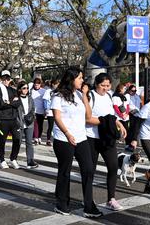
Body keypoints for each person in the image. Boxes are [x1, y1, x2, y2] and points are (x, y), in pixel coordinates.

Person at [51, 67, 102, 218]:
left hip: (81, 137)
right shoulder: (58, 96)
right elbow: (57, 118)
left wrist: (85, 95)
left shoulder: (80, 94)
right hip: (63, 138)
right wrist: (67, 133)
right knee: (65, 171)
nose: (82, 80)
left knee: (88, 170)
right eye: (79, 78)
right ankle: (62, 203)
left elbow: (88, 115)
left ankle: (88, 205)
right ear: (71, 79)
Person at [83, 73, 127, 211]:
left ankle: (111, 199)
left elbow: (111, 116)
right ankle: (88, 199)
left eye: (108, 85)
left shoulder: (109, 95)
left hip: (107, 138)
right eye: (103, 85)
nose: (106, 88)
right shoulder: (90, 96)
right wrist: (105, 121)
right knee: (90, 170)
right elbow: (87, 118)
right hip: (92, 138)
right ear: (96, 84)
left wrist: (120, 124)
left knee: (113, 167)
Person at [0, 70, 22, 170]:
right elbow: (0, 104)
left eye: (8, 79)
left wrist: (8, 103)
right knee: (2, 141)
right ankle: (2, 159)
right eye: (4, 78)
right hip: (3, 119)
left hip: (13, 119)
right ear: (1, 79)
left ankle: (13, 158)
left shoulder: (13, 90)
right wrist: (11, 102)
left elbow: (18, 103)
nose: (6, 80)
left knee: (17, 139)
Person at [17, 81, 39, 169]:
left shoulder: (30, 98)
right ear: (19, 89)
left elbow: (33, 109)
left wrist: (31, 117)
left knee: (29, 142)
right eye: (24, 88)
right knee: (17, 142)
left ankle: (30, 161)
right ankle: (13, 159)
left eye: (27, 88)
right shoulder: (16, 99)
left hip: (29, 123)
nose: (26, 90)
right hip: (19, 123)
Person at [43, 79, 59, 146]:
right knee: (51, 126)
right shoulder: (48, 91)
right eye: (56, 84)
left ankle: (55, 138)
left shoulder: (58, 91)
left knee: (56, 126)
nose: (57, 86)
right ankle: (48, 140)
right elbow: (45, 100)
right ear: (53, 84)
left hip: (57, 111)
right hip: (50, 111)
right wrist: (46, 109)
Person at [125, 84, 142, 151]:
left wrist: (140, 109)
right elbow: (126, 105)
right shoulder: (127, 96)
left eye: (135, 91)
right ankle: (128, 144)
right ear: (129, 90)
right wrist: (130, 111)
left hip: (137, 114)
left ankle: (132, 144)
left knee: (135, 130)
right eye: (132, 91)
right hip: (130, 114)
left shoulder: (137, 96)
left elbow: (140, 103)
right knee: (130, 130)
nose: (134, 92)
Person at [31, 78, 46, 145]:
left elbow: (46, 101)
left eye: (38, 85)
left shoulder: (43, 91)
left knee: (40, 125)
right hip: (33, 111)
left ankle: (39, 137)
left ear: (40, 84)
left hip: (41, 110)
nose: (36, 86)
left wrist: (46, 110)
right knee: (35, 124)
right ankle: (35, 138)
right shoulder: (31, 91)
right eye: (35, 85)